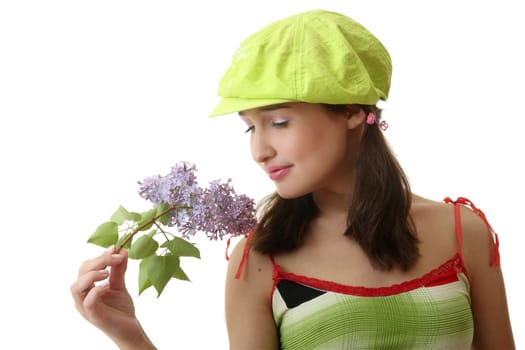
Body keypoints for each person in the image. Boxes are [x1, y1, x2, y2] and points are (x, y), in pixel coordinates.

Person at [71, 9, 515, 349]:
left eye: (279, 121)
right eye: (250, 126)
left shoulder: (464, 233)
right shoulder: (259, 259)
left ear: (354, 112)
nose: (259, 149)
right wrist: (131, 337)